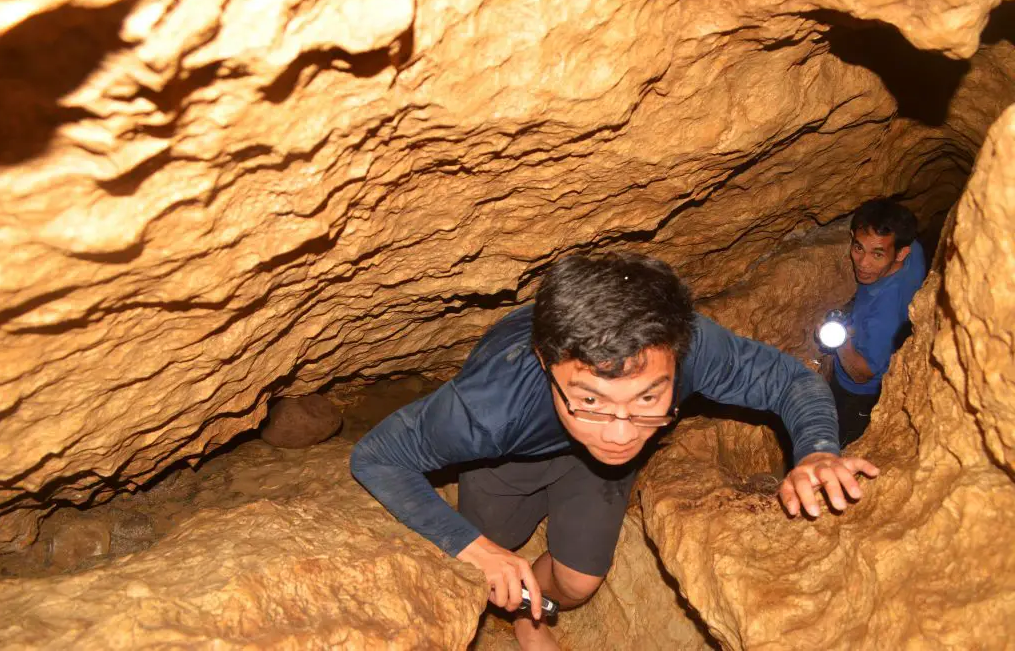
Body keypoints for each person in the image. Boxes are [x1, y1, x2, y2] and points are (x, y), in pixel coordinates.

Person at [351, 252, 879, 650]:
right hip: (511, 452)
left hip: (584, 464)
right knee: (489, 552)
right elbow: (377, 456)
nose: (621, 434)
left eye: (650, 398)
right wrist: (480, 550)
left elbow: (791, 380)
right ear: (545, 363)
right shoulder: (489, 405)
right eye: (591, 401)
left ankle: (530, 618)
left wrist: (816, 450)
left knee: (578, 581)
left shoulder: (688, 346)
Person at [827, 200, 927, 446]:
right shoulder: (912, 250)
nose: (863, 263)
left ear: (901, 253)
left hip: (859, 395)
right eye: (858, 248)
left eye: (878, 254)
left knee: (840, 440)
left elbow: (861, 374)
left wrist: (840, 341)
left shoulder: (885, 315)